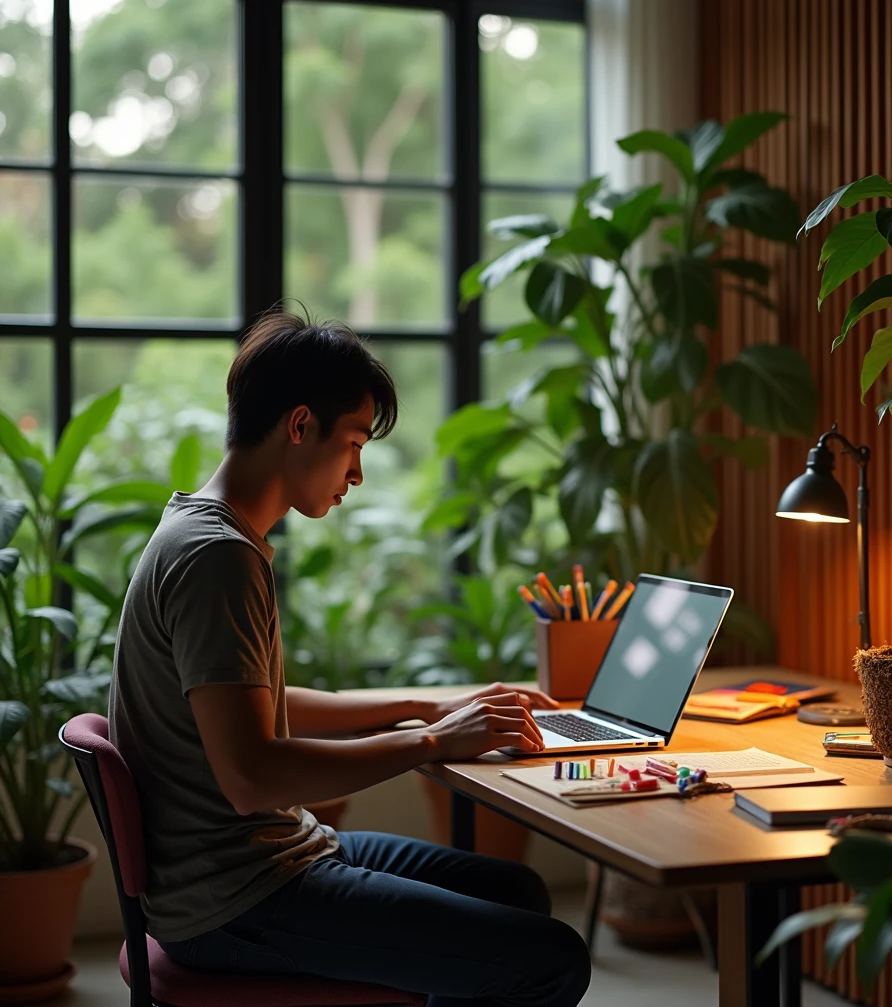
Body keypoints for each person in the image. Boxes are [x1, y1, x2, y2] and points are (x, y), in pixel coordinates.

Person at [108, 307, 592, 1007]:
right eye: (354, 443)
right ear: (300, 427)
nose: (357, 472)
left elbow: (263, 705)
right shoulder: (218, 557)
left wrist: (429, 705)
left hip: (272, 857)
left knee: (512, 889)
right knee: (550, 960)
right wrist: (428, 742)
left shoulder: (202, 529)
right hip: (239, 900)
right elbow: (250, 776)